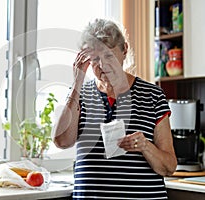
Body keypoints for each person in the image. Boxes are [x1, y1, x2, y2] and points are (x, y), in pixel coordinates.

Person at [52, 18, 177, 199]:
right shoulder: (78, 94)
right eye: (95, 59)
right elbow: (62, 141)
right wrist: (77, 83)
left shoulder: (153, 95)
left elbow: (169, 167)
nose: (103, 66)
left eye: (109, 56)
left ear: (124, 50)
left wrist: (145, 146)